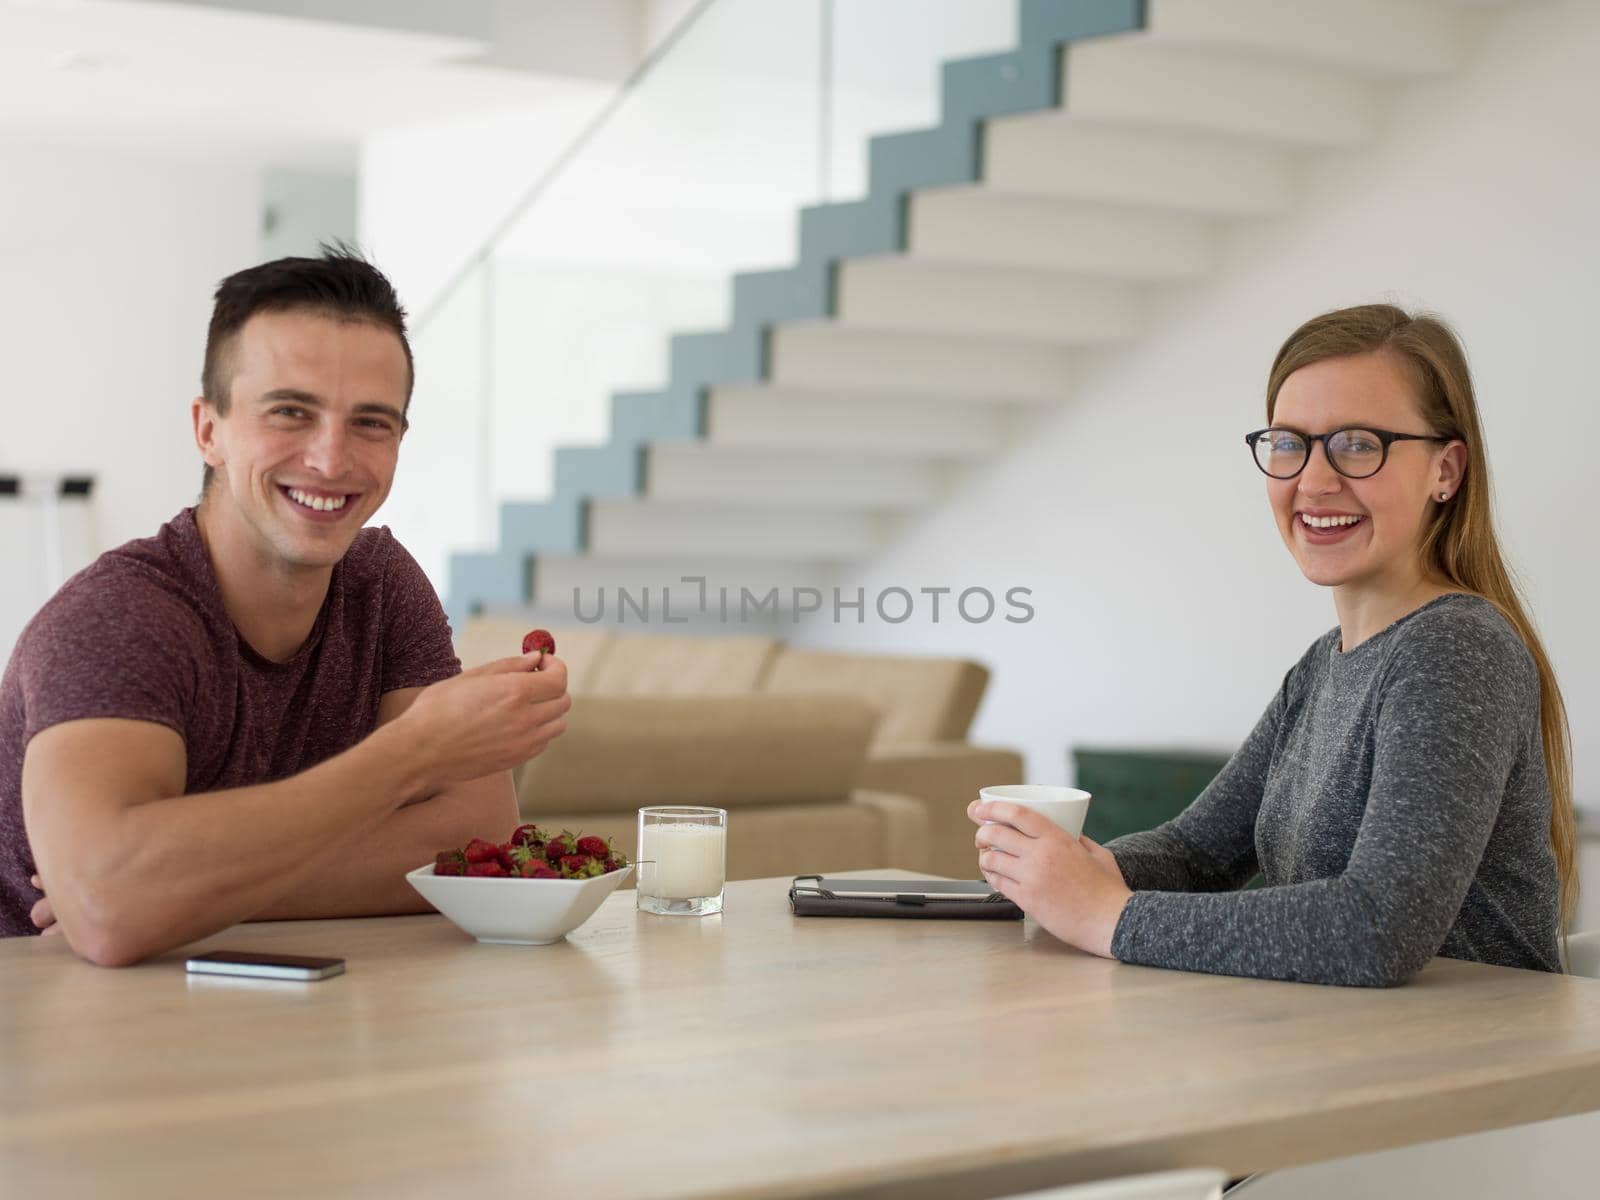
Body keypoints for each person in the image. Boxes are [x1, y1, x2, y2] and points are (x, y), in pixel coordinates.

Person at [970, 304, 1575, 987]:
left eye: (1357, 443)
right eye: (1290, 444)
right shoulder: (1322, 667)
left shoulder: (1457, 650)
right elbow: (1197, 852)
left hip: (1481, 1069)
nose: (1313, 482)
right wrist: (1066, 871)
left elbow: (1377, 929)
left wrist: (1107, 916)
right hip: (1347, 1048)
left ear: (1446, 469)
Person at [0, 248, 570, 964]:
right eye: (291, 412)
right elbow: (109, 917)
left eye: (371, 423)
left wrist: (186, 886)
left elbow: (471, 837)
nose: (331, 460)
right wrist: (413, 751)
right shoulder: (118, 620)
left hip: (274, 1013)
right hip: (51, 1019)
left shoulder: (381, 583)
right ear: (209, 429)